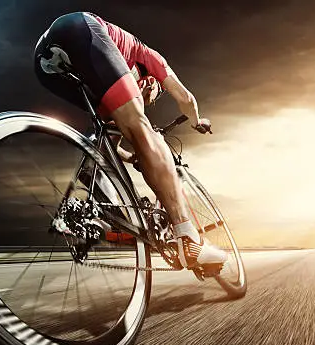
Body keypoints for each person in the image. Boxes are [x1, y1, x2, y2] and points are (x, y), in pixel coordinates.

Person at [34, 12, 226, 271]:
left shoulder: (110, 76)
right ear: (152, 83)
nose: (151, 99)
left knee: (107, 134)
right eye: (155, 94)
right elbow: (185, 97)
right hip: (82, 30)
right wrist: (197, 120)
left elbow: (118, 145)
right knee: (141, 126)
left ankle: (98, 210)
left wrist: (134, 156)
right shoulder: (149, 57)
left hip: (44, 61)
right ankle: (187, 237)